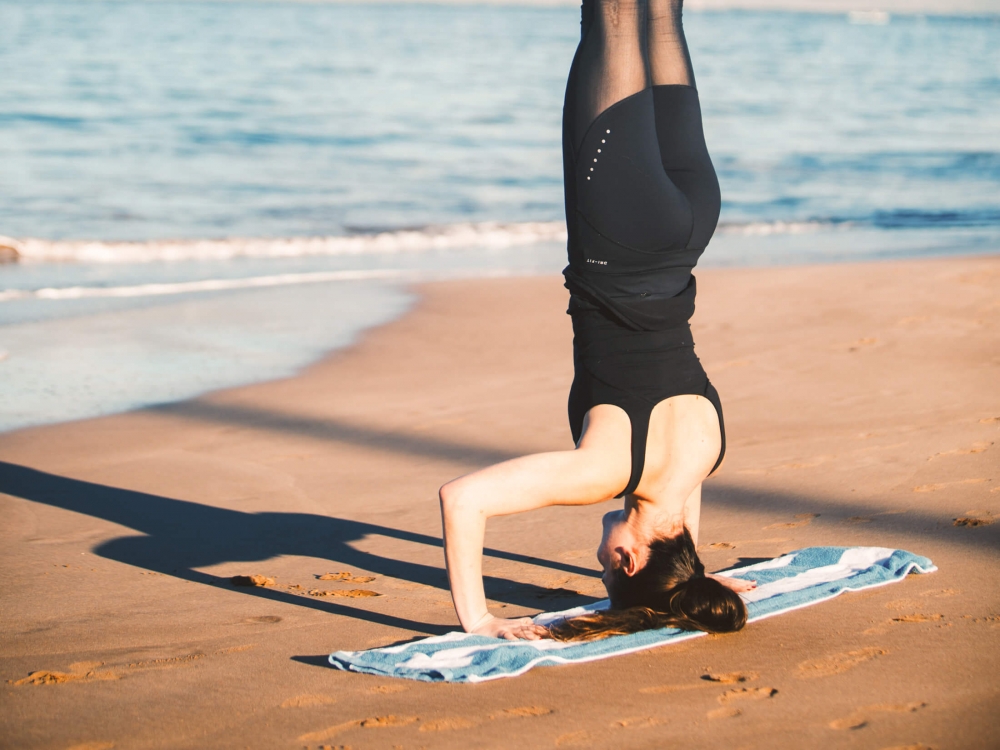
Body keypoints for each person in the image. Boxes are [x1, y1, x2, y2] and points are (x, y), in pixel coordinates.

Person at [439, 0, 752, 642]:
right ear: (628, 559)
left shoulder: (704, 456)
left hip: (691, 227)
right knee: (610, 20)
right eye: (607, 570)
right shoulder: (603, 471)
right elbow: (461, 498)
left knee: (662, 17)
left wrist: (698, 579)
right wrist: (479, 618)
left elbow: (677, 517)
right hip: (622, 226)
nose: (598, 558)